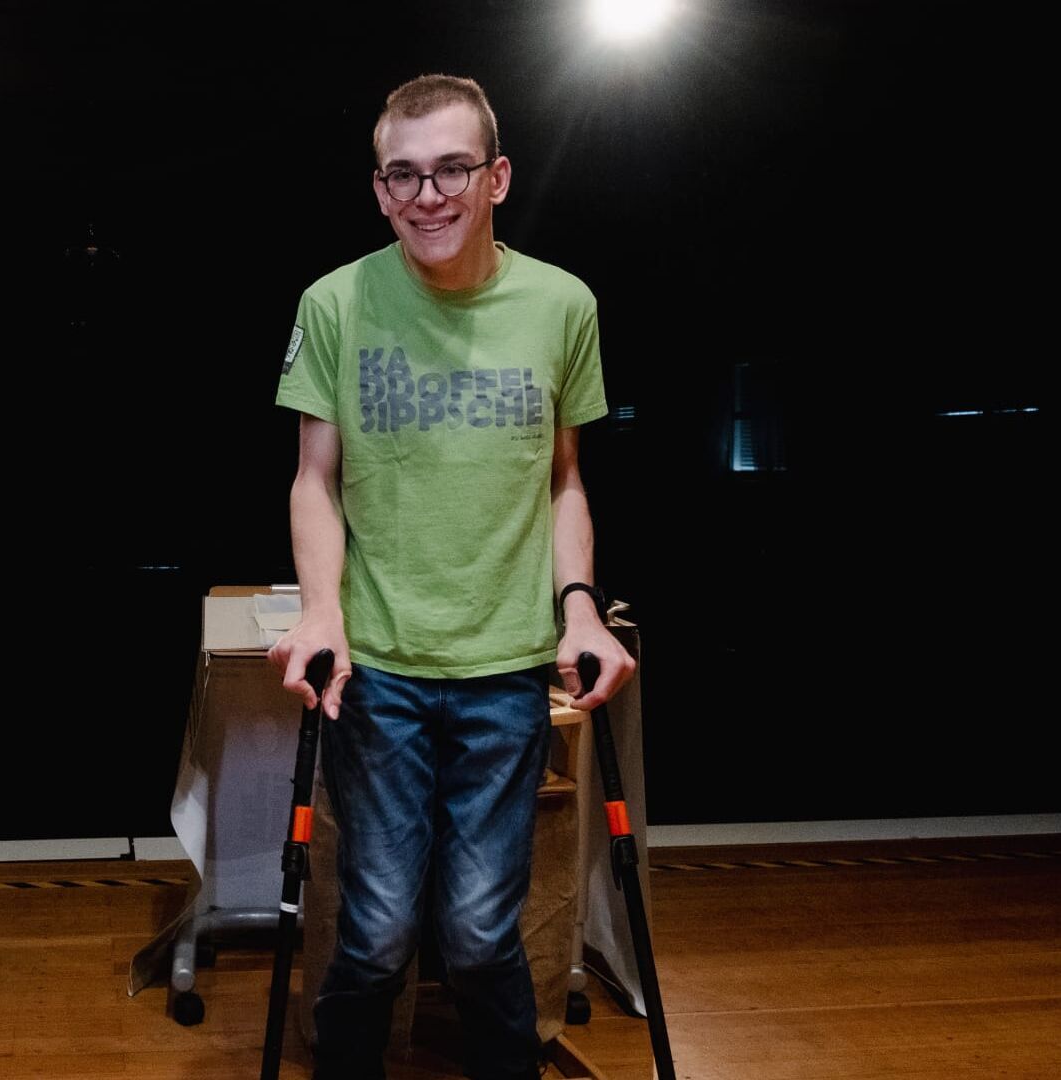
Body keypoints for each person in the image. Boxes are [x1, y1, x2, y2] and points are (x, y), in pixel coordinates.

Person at [268, 73, 638, 1080]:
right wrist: (320, 612)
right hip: (379, 669)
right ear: (379, 190)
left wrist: (579, 609)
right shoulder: (335, 302)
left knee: (477, 935)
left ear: (497, 178)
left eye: (451, 170)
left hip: (505, 667)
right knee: (378, 933)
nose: (427, 196)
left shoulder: (561, 304)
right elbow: (314, 478)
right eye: (404, 175)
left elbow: (564, 479)